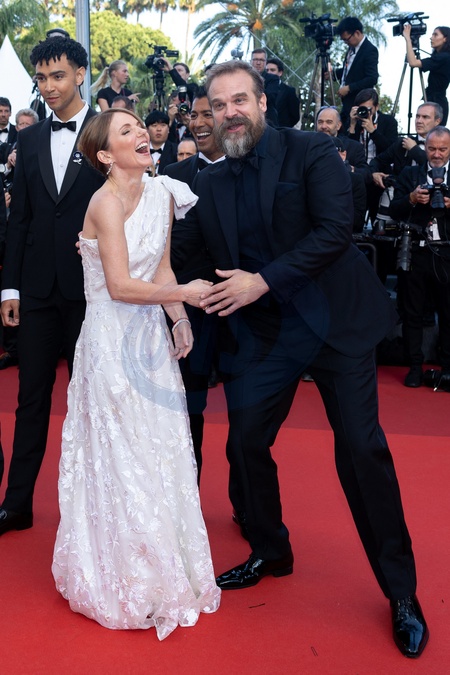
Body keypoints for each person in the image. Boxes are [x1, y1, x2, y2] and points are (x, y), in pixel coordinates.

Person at [173, 60, 429, 658]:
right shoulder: (209, 183)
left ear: (263, 102)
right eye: (218, 104)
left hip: (337, 325)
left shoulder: (311, 151)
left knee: (361, 449)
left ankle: (401, 592)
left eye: (240, 99)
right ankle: (271, 549)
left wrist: (262, 280)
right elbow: (186, 253)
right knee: (245, 444)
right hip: (267, 337)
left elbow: (336, 230)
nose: (230, 112)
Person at [51, 107, 220, 637]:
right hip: (109, 341)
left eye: (139, 127)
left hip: (149, 338)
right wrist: (187, 293)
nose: (141, 133)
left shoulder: (164, 193)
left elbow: (162, 267)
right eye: (126, 131)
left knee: (157, 448)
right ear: (105, 154)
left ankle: (162, 564)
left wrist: (178, 317)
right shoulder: (102, 202)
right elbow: (121, 285)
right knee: (121, 453)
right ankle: (126, 574)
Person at [0, 35, 105, 535]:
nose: (49, 86)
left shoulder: (109, 132)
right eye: (41, 78)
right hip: (38, 291)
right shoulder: (28, 140)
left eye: (58, 76)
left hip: (94, 292)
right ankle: (16, 503)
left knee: (92, 403)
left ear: (81, 75)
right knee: (31, 400)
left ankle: (95, 513)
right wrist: (10, 289)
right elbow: (19, 220)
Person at [164, 87, 226, 479]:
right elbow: (161, 245)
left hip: (244, 306)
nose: (199, 123)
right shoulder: (172, 176)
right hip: (189, 311)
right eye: (194, 115)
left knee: (248, 420)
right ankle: (188, 491)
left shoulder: (250, 170)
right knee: (189, 409)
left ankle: (247, 501)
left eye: (208, 114)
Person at [389, 126, 450, 388]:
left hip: (447, 254)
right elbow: (394, 210)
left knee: (448, 313)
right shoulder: (410, 174)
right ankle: (414, 367)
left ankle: (447, 369)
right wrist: (412, 198)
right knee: (412, 313)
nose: (436, 154)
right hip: (415, 250)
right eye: (432, 148)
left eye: (442, 149)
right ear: (425, 148)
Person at [335, 17, 379, 126]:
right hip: (346, 104)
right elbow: (351, 70)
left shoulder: (369, 50)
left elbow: (372, 78)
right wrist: (334, 74)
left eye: (347, 39)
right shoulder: (351, 49)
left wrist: (349, 88)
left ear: (357, 33)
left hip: (359, 103)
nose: (346, 43)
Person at [403, 24, 450, 125]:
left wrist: (408, 39)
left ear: (445, 39)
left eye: (435, 35)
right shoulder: (441, 56)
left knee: (434, 134)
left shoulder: (444, 57)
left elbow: (413, 62)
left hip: (436, 104)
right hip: (435, 101)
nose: (431, 38)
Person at [316, 105, 371, 184]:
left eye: (329, 122)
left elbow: (366, 175)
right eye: (320, 122)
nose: (323, 126)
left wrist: (347, 167)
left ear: (338, 126)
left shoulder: (354, 147)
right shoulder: (308, 144)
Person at [265, 57, 300, 127]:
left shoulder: (289, 91)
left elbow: (295, 116)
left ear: (280, 73)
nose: (269, 73)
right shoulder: (260, 89)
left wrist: (284, 128)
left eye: (272, 70)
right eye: (267, 70)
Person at [145, 110, 178, 175]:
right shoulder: (140, 150)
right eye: (154, 125)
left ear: (168, 129)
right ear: (147, 130)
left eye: (163, 125)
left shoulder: (176, 150)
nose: (159, 129)